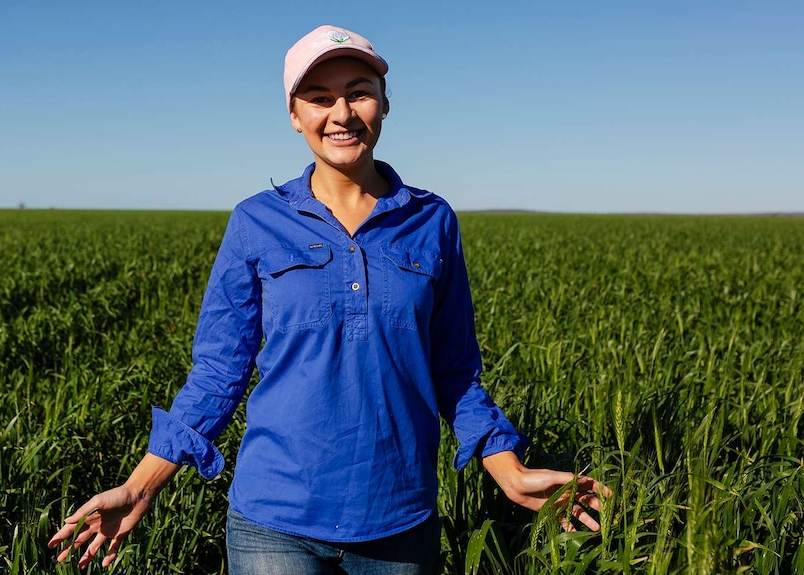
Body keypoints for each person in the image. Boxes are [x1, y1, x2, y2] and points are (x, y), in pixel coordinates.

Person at [48, 25, 610, 574]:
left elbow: (455, 369)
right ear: (295, 116)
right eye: (319, 98)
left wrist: (508, 471)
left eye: (358, 93)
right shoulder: (255, 223)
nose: (340, 114)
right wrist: (140, 486)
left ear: (384, 105)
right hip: (275, 522)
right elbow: (220, 372)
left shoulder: (432, 221)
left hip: (401, 519)